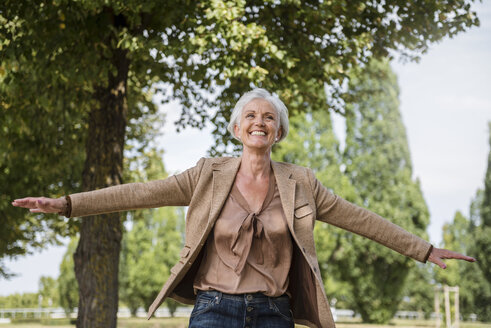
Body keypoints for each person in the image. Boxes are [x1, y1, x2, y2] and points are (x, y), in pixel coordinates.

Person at [12, 88, 475, 328]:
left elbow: (360, 219)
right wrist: (68, 204)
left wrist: (424, 249)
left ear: (279, 133)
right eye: (250, 116)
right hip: (214, 310)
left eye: (268, 117)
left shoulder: (301, 183)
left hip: (274, 313)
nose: (260, 121)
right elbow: (140, 193)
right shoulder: (207, 175)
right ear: (237, 129)